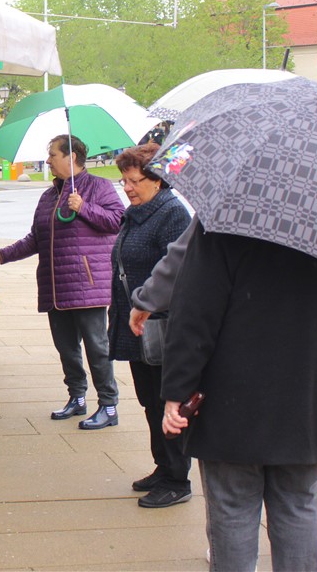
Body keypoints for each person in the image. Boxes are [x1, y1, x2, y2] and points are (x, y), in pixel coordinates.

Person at [161, 221, 317, 571]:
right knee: (299, 506)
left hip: (233, 399)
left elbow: (194, 314)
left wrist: (176, 391)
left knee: (232, 508)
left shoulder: (223, 225)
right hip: (306, 396)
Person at [0, 134, 124, 430]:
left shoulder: (98, 187)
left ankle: (108, 405)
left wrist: (84, 207)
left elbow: (118, 221)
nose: (48, 160)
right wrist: (4, 254)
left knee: (97, 348)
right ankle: (77, 397)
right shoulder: (49, 196)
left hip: (87, 285)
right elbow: (36, 238)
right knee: (66, 347)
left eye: (52, 155)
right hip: (56, 285)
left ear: (71, 156)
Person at [107, 144, 191, 507]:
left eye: (134, 180)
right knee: (149, 402)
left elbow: (177, 273)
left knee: (165, 403)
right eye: (124, 181)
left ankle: (177, 479)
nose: (127, 187)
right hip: (136, 324)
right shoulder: (137, 212)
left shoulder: (171, 213)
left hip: (160, 327)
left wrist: (147, 302)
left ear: (157, 181)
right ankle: (163, 466)